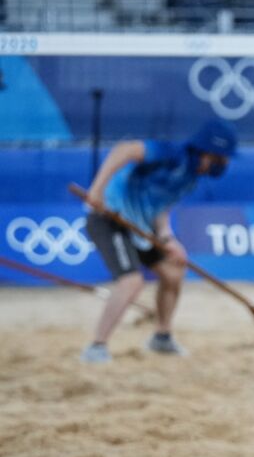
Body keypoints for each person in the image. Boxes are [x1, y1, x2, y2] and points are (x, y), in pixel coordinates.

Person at [80, 120, 238, 363]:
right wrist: (97, 190)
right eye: (223, 157)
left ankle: (161, 337)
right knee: (131, 282)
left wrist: (168, 237)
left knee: (174, 270)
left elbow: (159, 207)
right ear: (209, 153)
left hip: (139, 227)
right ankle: (97, 346)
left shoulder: (190, 177)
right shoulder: (171, 154)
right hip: (109, 218)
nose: (225, 163)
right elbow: (125, 149)